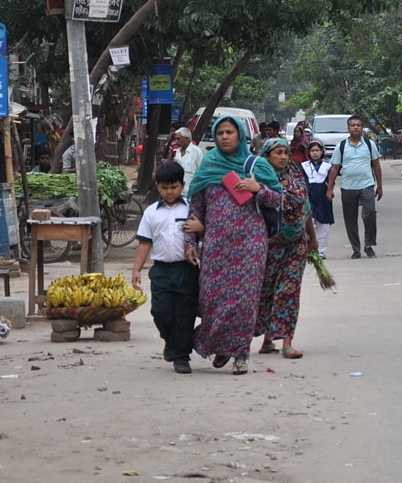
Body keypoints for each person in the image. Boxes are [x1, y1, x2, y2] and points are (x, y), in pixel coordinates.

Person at [183, 115, 284, 375]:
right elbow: (196, 208)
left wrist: (257, 187)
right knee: (212, 299)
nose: (225, 137)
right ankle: (220, 345)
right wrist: (190, 242)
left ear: (240, 135)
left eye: (229, 132)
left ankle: (241, 354)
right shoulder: (208, 165)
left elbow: (277, 200)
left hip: (251, 245)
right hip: (216, 245)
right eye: (220, 133)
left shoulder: (256, 165)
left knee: (244, 301)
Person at [131, 160, 200, 374]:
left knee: (184, 315)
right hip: (161, 271)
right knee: (161, 312)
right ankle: (170, 341)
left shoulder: (191, 208)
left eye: (174, 187)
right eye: (164, 188)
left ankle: (181, 357)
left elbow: (204, 234)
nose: (169, 192)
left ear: (182, 185)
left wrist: (201, 227)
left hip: (186, 270)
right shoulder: (151, 212)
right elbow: (145, 243)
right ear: (157, 186)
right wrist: (136, 269)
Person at [254, 138, 312, 359]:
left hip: (296, 244)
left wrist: (312, 237)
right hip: (269, 245)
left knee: (288, 292)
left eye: (285, 153)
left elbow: (306, 209)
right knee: (267, 292)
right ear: (266, 156)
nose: (282, 157)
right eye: (277, 153)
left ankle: (287, 342)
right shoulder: (259, 181)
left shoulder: (296, 178)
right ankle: (268, 340)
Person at [325, 114, 383, 259]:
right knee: (350, 218)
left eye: (358, 125)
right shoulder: (342, 146)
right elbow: (334, 168)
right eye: (353, 125)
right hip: (348, 187)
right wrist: (330, 189)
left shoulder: (370, 145)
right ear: (348, 128)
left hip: (367, 185)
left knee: (369, 213)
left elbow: (376, 165)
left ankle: (369, 245)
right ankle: (356, 248)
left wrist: (380, 186)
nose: (356, 127)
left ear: (362, 128)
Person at [301, 140, 334, 258]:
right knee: (308, 222)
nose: (315, 153)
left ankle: (321, 250)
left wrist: (330, 192)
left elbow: (331, 181)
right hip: (308, 195)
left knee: (323, 224)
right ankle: (308, 248)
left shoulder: (327, 166)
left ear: (322, 152)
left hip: (322, 196)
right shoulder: (304, 166)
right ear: (309, 152)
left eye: (317, 150)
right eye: (312, 151)